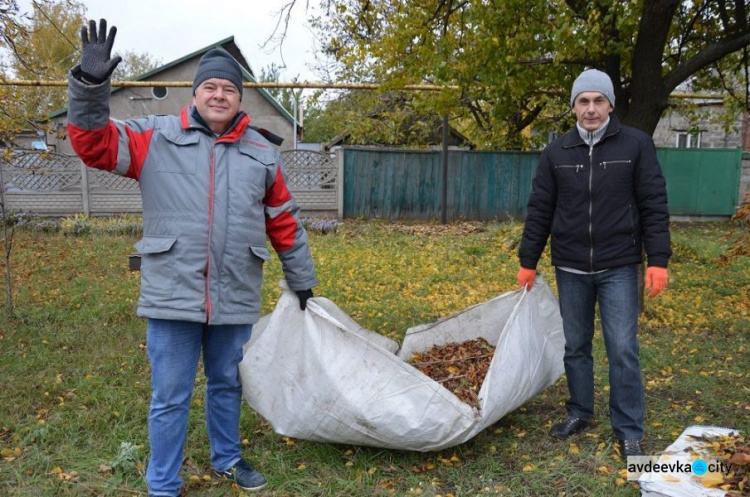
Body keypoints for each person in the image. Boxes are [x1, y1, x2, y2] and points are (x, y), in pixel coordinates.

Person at [67, 19, 317, 496]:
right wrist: (91, 87)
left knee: (227, 384)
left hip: (235, 289)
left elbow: (283, 219)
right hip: (171, 291)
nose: (219, 95)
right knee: (171, 395)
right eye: (210, 87)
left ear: (240, 98)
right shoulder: (153, 136)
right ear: (195, 94)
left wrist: (300, 277)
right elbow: (92, 144)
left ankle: (227, 459)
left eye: (229, 88)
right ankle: (163, 482)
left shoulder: (263, 153)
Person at [516, 69, 671, 458]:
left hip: (619, 265)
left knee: (622, 348)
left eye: (598, 100)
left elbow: (654, 203)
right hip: (570, 266)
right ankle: (580, 411)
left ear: (610, 105)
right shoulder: (556, 153)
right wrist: (528, 260)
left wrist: (658, 260)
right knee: (576, 346)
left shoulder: (636, 145)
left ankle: (629, 428)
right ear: (573, 107)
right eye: (583, 101)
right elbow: (540, 209)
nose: (590, 109)